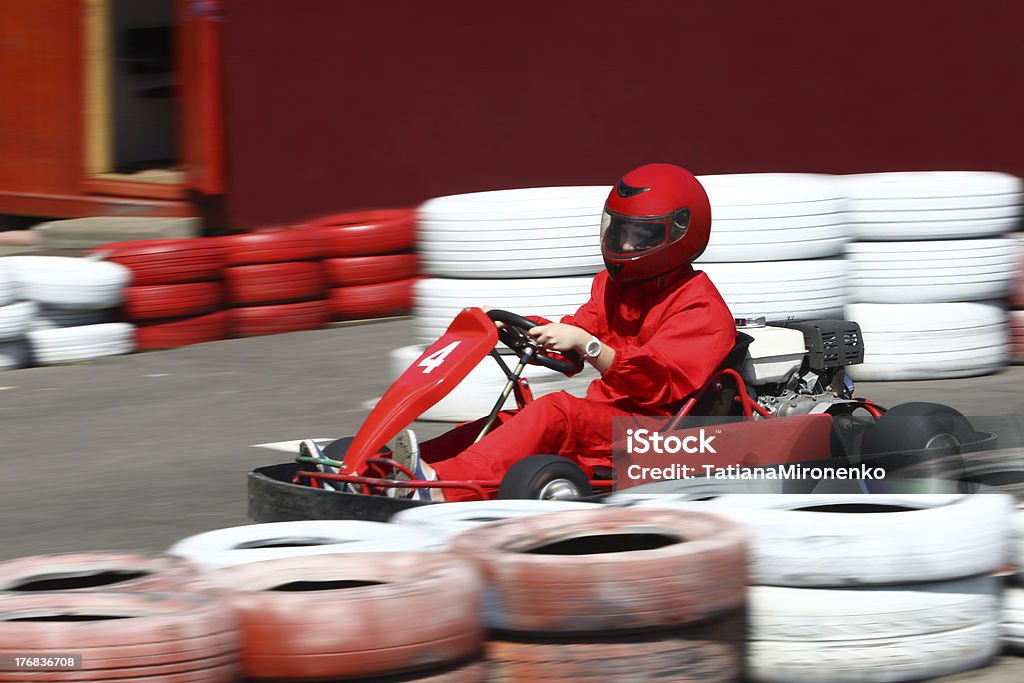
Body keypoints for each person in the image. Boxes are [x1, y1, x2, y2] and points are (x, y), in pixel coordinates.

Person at [397, 163, 737, 501]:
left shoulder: (701, 307)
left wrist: (590, 346)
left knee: (554, 412)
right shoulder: (615, 288)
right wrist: (514, 324)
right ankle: (392, 469)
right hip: (606, 415)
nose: (627, 246)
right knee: (510, 420)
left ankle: (440, 485)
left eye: (641, 236)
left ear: (679, 233)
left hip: (657, 433)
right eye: (620, 232)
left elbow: (656, 382)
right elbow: (574, 337)